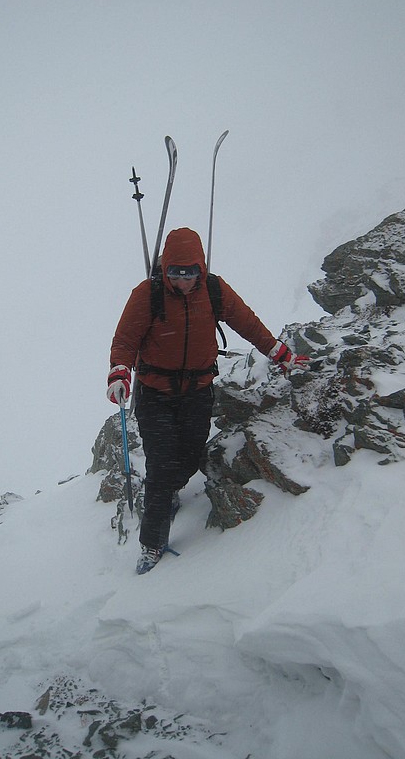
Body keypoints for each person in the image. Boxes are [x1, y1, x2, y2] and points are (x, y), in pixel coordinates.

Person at [107, 227, 309, 574]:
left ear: (200, 269)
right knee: (160, 466)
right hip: (154, 393)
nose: (182, 280)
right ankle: (151, 544)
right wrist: (119, 372)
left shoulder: (214, 290)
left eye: (189, 273)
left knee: (188, 454)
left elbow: (249, 324)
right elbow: (126, 338)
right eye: (175, 272)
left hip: (197, 390)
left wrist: (280, 353)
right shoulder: (149, 294)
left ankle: (172, 489)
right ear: (166, 268)